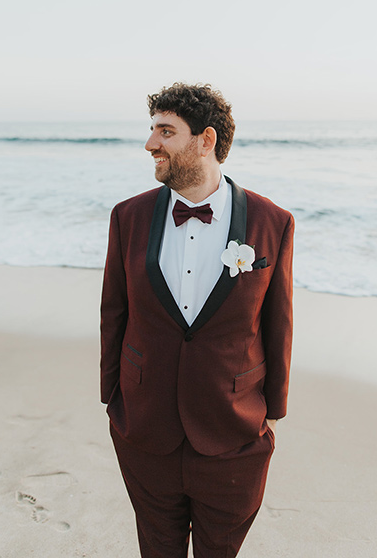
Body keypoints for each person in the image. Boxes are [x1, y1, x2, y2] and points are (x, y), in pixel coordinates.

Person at [100, 83, 294, 558]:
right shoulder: (128, 217)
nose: (151, 144)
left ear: (205, 140)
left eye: (165, 131)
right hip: (145, 430)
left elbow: (278, 321)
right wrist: (113, 398)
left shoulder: (273, 222)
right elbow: (114, 311)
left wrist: (271, 410)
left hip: (233, 434)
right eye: (152, 131)